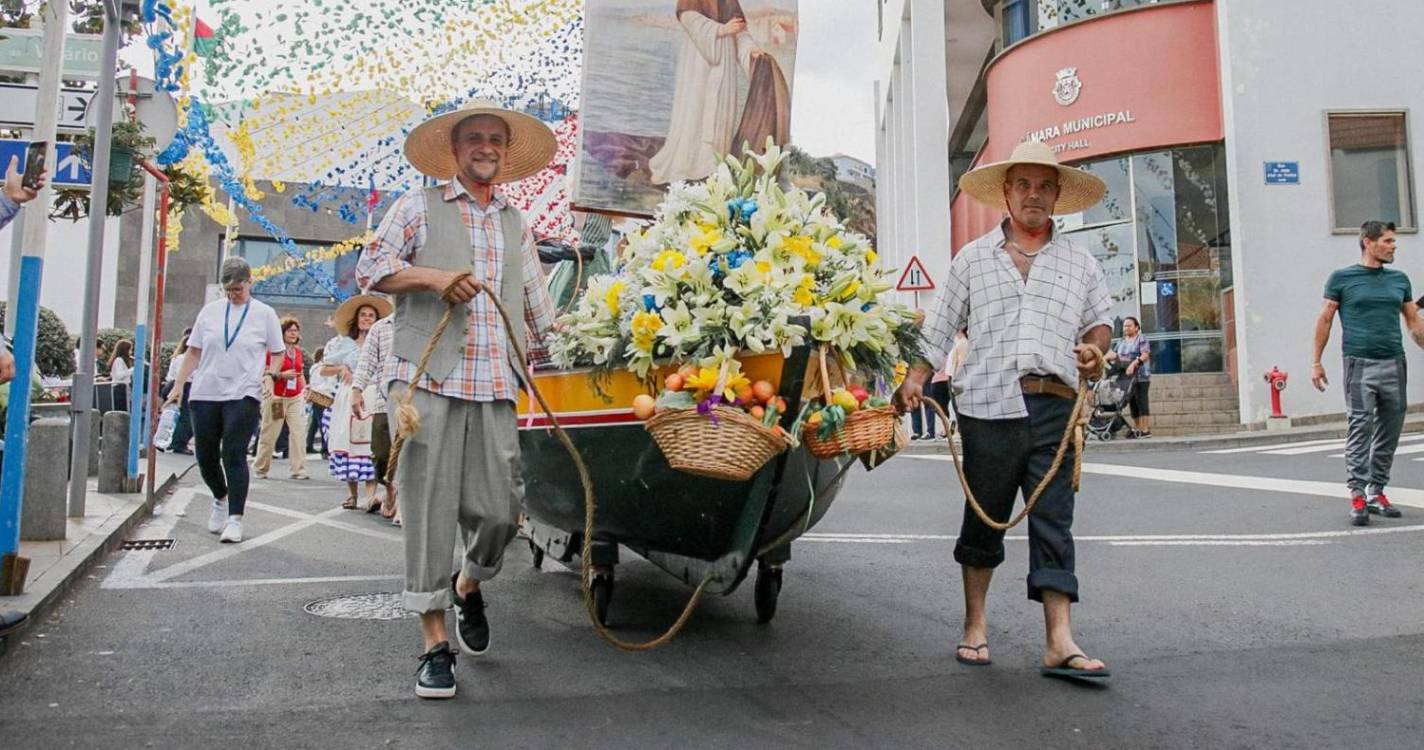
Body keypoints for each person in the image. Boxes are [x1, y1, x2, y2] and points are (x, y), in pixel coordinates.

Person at [358, 101, 558, 698]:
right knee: (427, 511)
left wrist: (572, 357)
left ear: (505, 151)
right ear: (455, 149)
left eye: (496, 139)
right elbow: (371, 268)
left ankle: (470, 583)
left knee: (501, 510)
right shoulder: (417, 206)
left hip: (496, 383)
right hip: (426, 382)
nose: (487, 147)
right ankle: (434, 643)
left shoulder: (515, 223)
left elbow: (537, 308)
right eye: (475, 138)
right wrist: (433, 277)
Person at [895, 140, 1114, 680]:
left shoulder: (1080, 262)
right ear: (1007, 195)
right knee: (984, 514)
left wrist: (1095, 351)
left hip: (1054, 408)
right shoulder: (972, 259)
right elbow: (940, 326)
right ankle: (975, 624)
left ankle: (1059, 639)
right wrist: (915, 379)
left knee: (1054, 522)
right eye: (1024, 185)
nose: (1034, 195)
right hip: (988, 406)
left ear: (1057, 196)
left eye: (1044, 186)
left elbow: (1100, 323)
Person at [1311, 220, 1424, 526]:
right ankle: (1358, 494)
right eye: (1387, 241)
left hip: (1394, 362)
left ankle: (1377, 491)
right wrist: (1316, 362)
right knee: (1361, 427)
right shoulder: (1342, 278)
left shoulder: (1399, 280)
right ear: (1368, 243)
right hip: (1359, 364)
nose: (1393, 246)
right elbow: (1325, 319)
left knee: (1390, 428)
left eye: (1394, 242)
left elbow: (1414, 322)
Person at [166, 257, 284, 544]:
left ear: (249, 282)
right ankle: (220, 497)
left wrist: (270, 374)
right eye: (229, 290)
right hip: (205, 391)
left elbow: (277, 352)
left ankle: (235, 519)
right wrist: (178, 385)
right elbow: (193, 352)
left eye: (238, 289)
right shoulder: (209, 312)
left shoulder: (264, 313)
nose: (234, 295)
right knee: (205, 457)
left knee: (233, 453)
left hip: (243, 392)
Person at [648, 0, 786, 185]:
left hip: (725, 65)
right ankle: (690, 166)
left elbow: (740, 33)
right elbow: (689, 19)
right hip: (698, 65)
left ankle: (713, 166)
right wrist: (721, 30)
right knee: (695, 114)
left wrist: (751, 51)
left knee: (720, 117)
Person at [320, 294, 391, 511]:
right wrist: (341, 368)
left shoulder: (382, 340)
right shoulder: (344, 344)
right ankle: (352, 493)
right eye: (363, 315)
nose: (367, 319)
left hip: (374, 394)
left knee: (370, 442)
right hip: (349, 395)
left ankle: (370, 495)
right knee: (347, 442)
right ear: (356, 319)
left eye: (371, 315)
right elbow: (323, 368)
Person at [350, 314, 398, 523]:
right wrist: (356, 390)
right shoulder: (381, 327)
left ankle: (403, 505)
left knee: (412, 455)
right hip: (383, 401)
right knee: (380, 453)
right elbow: (366, 362)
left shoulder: (425, 322)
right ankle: (389, 491)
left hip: (415, 402)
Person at [254, 317, 310, 480]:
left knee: (298, 432)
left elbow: (299, 373)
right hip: (277, 397)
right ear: (282, 333)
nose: (293, 334)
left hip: (295, 397)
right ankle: (261, 467)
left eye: (295, 331)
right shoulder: (272, 352)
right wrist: (280, 375)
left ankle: (298, 469)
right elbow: (265, 373)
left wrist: (305, 387)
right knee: (270, 432)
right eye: (290, 331)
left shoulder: (298, 352)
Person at [1107, 316, 1151, 438]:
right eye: (1125, 326)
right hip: (1126, 377)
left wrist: (1133, 363)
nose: (1126, 328)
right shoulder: (1121, 341)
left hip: (1141, 375)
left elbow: (1145, 355)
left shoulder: (1141, 339)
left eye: (1129, 325)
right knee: (1132, 403)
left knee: (1141, 401)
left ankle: (1145, 429)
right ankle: (1137, 429)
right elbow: (1114, 355)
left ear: (1136, 327)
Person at [162, 329, 195, 454]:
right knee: (185, 416)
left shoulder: (177, 357)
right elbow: (188, 375)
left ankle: (171, 440)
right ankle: (178, 443)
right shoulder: (185, 358)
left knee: (175, 415)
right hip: (184, 385)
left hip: (171, 384)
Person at [305, 346, 332, 458]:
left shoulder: (314, 368)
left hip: (315, 395)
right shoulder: (321, 368)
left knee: (315, 423)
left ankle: (309, 445)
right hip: (322, 395)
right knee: (323, 423)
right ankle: (325, 448)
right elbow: (322, 383)